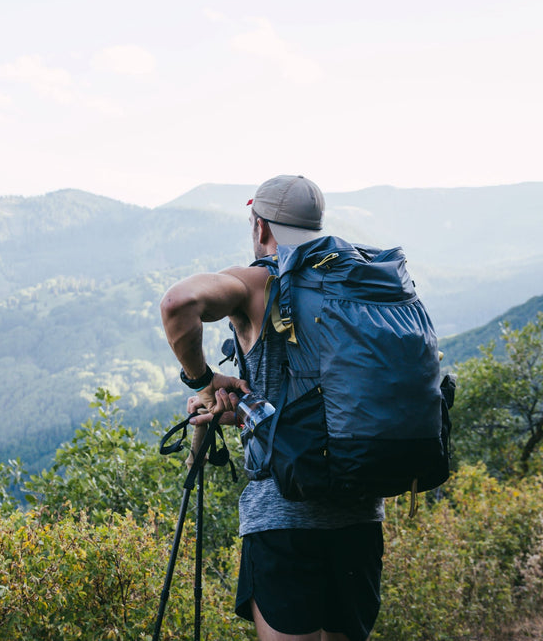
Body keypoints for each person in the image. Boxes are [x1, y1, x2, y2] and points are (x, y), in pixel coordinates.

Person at [159, 174, 384, 641]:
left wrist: (202, 379)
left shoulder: (258, 283)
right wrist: (245, 412)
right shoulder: (358, 283)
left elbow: (179, 302)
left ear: (260, 228)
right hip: (361, 514)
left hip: (283, 518)